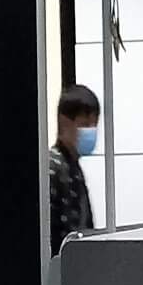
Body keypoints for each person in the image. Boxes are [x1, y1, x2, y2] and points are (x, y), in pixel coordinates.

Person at [50, 84, 100, 255]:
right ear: (65, 122)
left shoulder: (73, 167)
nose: (91, 131)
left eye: (94, 124)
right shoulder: (52, 169)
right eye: (85, 124)